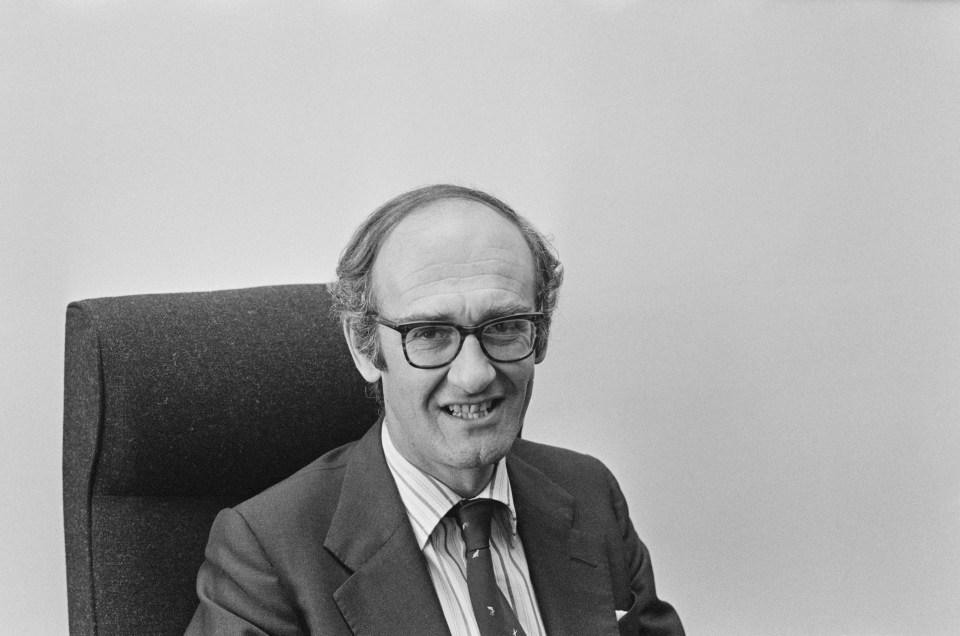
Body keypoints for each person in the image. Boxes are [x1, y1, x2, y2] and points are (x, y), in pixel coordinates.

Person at [186, 185, 684, 635]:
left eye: (505, 325)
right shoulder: (264, 555)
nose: (474, 375)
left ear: (541, 335)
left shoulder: (588, 492)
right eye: (428, 334)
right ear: (364, 349)